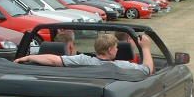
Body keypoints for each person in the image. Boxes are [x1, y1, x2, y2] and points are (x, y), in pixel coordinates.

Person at [15, 33, 154, 75]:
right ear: (111, 50)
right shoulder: (123, 66)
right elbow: (148, 69)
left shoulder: (82, 60)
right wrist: (146, 48)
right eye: (116, 47)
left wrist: (28, 57)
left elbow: (54, 60)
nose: (118, 50)